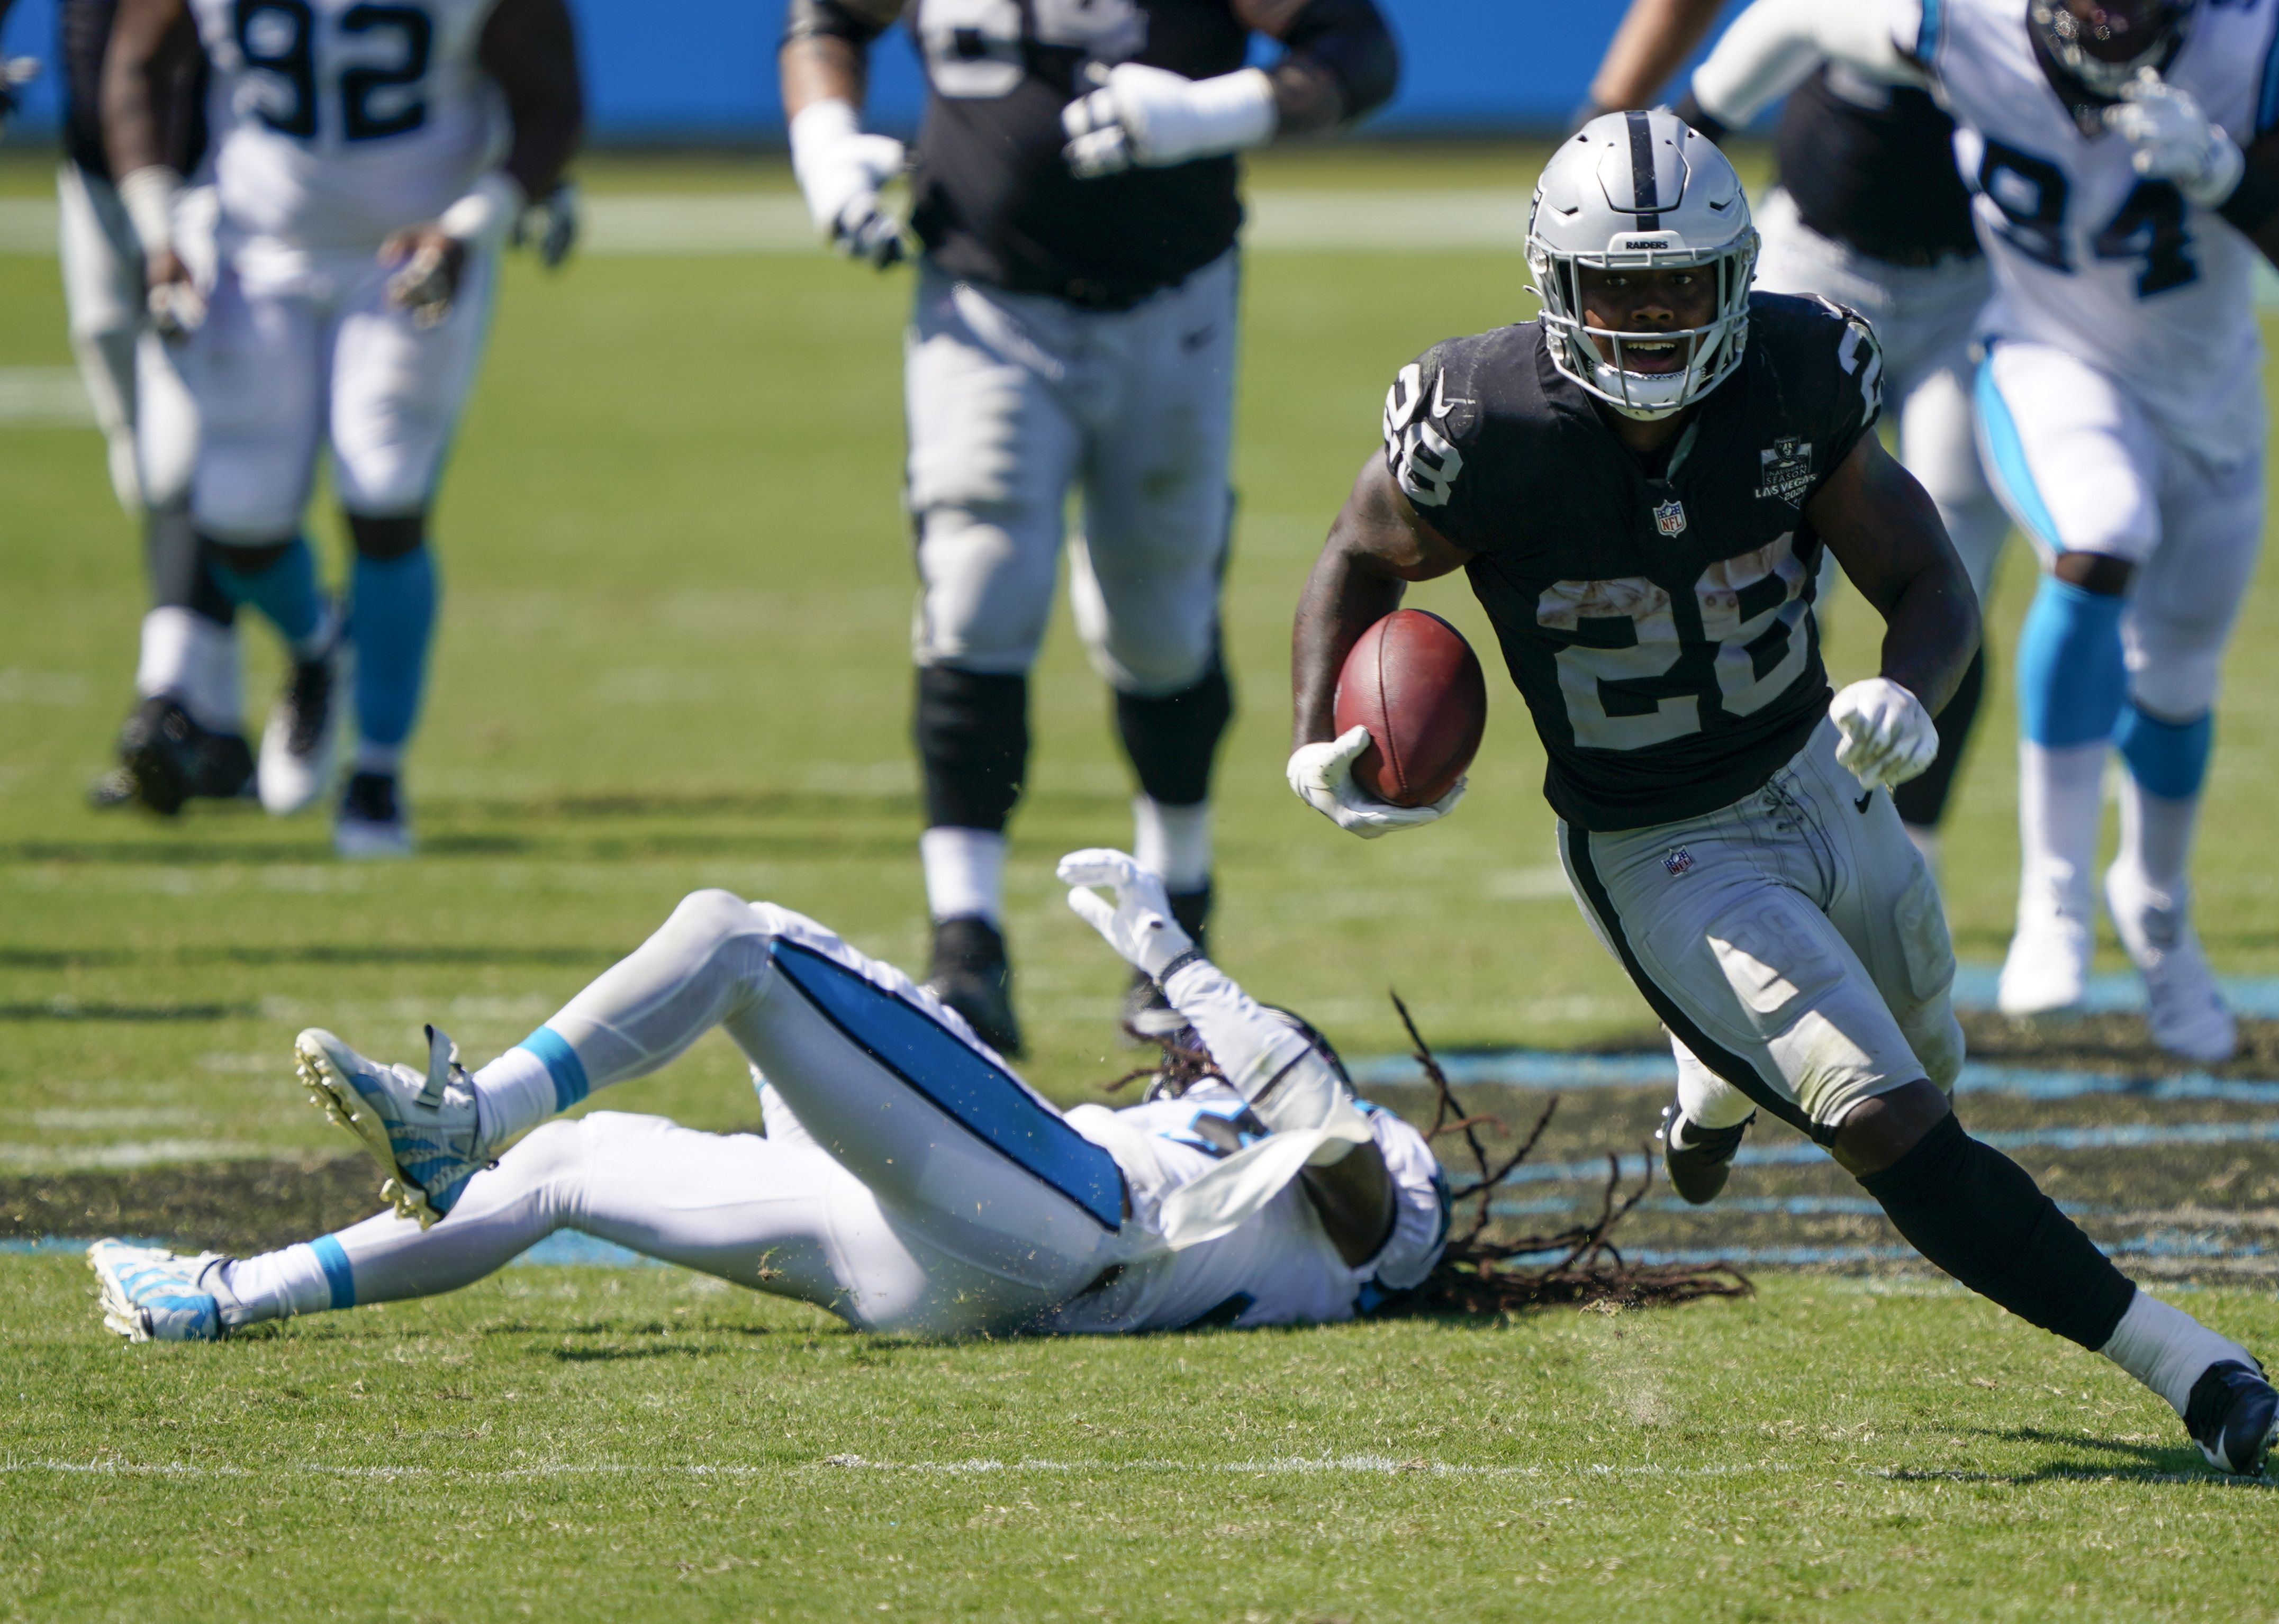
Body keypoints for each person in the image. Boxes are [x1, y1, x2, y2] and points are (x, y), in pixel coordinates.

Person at [1286, 113, 2279, 1474]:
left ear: (1736, 278)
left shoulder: (1801, 368)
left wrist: (1902, 692)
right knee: (1893, 1119)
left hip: (1815, 772)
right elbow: (1358, 553)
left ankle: (1711, 1074)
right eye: (1615, 291)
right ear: (1553, 286)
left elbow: (1929, 579)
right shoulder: (1485, 424)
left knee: (1935, 1065)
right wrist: (1316, 735)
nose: (1646, 325)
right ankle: (2191, 1366)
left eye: (1677, 289)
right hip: (1658, 841)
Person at [1681, 0, 2279, 1055]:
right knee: (2094, 535)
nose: (2108, 16)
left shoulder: (2255, 45)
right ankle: (2044, 903)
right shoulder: (1962, 23)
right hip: (2037, 352)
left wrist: (2228, 176)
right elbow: (1796, 11)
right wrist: (1676, 124)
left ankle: (2151, 910)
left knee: (2175, 676)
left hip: (2203, 393)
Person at [87, 853, 1448, 1342]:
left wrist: (1185, 963)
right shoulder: (1203, 1119)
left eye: (1214, 1042)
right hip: (943, 1260)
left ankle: (467, 1113)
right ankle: (224, 1293)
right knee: (572, 1163)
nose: (1190, 1050)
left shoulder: (1370, 1169)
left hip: (1072, 1234)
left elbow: (1334, 1143)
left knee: (739, 935)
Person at [776, 0, 1399, 1054]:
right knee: (975, 591)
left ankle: (1176, 920)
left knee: (1157, 622)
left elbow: (1355, 49)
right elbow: (825, 23)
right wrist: (824, 147)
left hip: (1171, 300)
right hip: (982, 302)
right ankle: (964, 941)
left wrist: (1219, 112)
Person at [102, 0, 584, 854]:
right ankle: (320, 641)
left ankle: (377, 773)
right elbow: (137, 64)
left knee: (386, 491)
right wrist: (156, 228)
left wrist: (477, 222)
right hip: (254, 248)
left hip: (413, 252)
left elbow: (553, 97)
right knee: (239, 527)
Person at [1584, 0, 2011, 869]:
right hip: (1815, 261)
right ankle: (1732, 828)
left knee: (1951, 564)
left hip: (1981, 282)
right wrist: (1652, 127)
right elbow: (1796, 16)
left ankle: (1911, 853)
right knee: (1756, 558)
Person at [15, 0, 252, 815]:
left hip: (208, 179)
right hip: (95, 170)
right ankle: (217, 722)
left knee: (183, 458)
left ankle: (169, 702)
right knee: (139, 454)